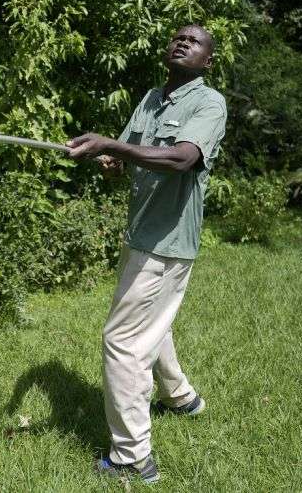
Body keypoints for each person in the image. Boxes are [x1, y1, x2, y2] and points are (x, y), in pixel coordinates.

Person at [66, 24, 227, 484]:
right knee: (153, 323)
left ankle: (133, 458)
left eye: (193, 42)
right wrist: (110, 162)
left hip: (166, 242)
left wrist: (113, 145)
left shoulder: (209, 103)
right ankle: (181, 397)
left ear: (207, 61)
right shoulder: (152, 98)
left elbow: (181, 158)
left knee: (123, 341)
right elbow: (127, 158)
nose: (182, 43)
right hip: (142, 234)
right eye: (178, 37)